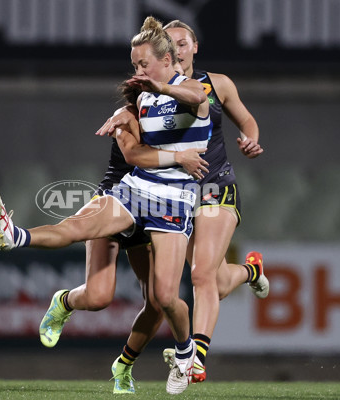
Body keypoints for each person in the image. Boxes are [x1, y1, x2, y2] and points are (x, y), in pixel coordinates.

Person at [0, 16, 211, 395]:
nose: (137, 71)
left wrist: (157, 87)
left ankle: (186, 353)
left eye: (144, 64)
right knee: (78, 227)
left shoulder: (188, 89)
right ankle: (14, 235)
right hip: (136, 188)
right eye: (135, 65)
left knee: (165, 297)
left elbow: (198, 98)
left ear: (167, 60)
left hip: (174, 201)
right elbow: (136, 155)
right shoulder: (141, 99)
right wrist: (135, 112)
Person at [97, 19, 268, 389]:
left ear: (193, 47)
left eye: (183, 42)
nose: (178, 48)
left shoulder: (215, 84)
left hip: (213, 187)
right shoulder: (150, 91)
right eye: (171, 43)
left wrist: (251, 139)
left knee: (201, 276)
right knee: (218, 281)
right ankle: (251, 272)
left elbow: (247, 120)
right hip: (174, 192)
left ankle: (196, 359)